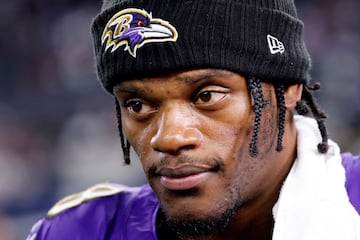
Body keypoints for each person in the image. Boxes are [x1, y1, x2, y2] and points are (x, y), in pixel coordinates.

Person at [27, 0, 360, 239]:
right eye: (138, 105)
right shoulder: (82, 231)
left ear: (288, 88)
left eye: (208, 96)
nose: (169, 138)